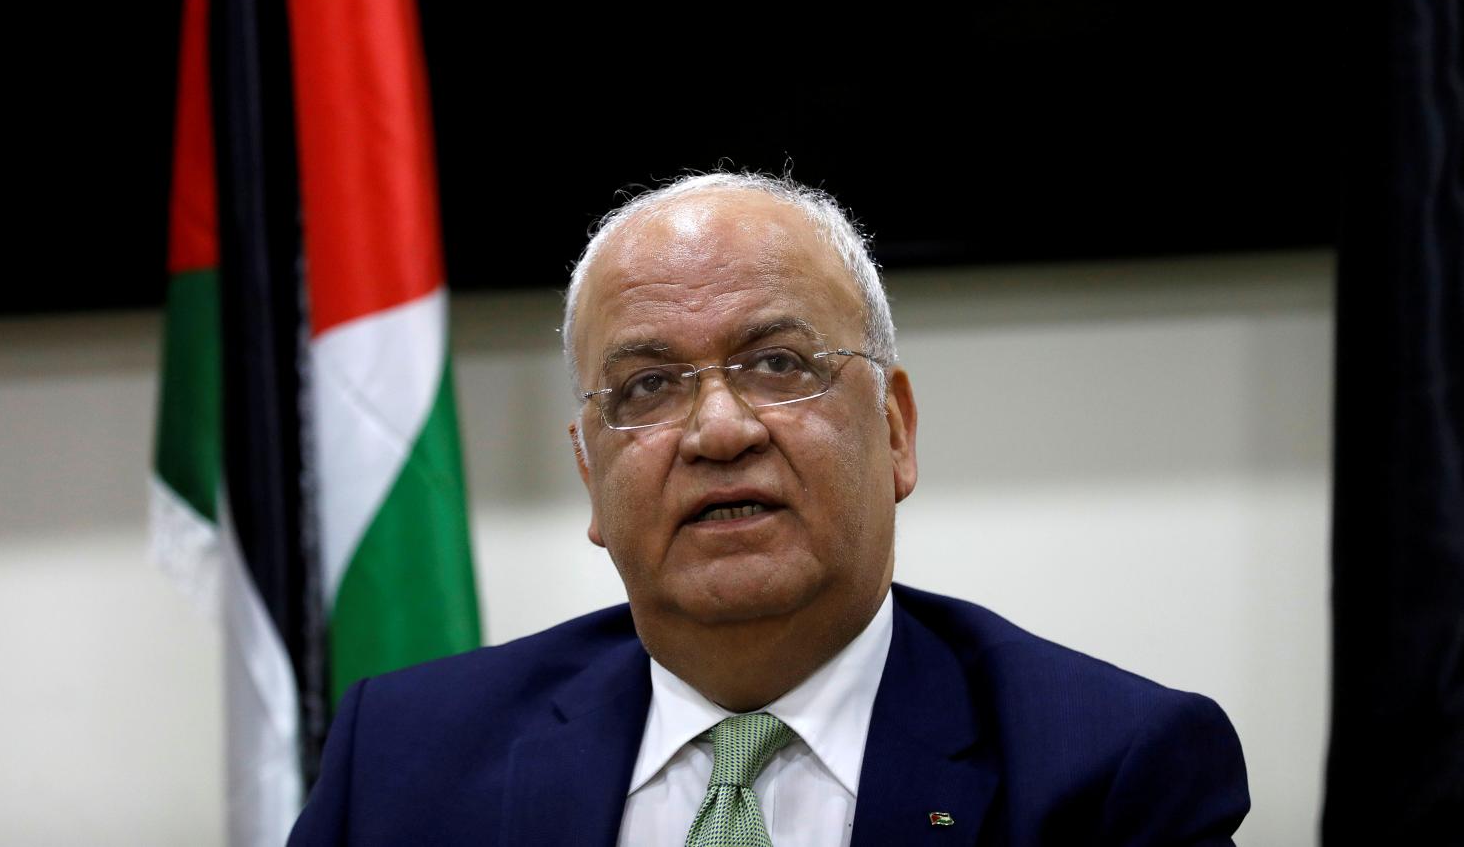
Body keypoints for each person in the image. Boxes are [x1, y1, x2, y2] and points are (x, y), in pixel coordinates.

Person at [288, 172, 1249, 846]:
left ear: (897, 432)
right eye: (648, 386)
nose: (718, 430)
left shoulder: (1111, 773)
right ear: (591, 475)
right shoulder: (402, 761)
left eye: (779, 364)